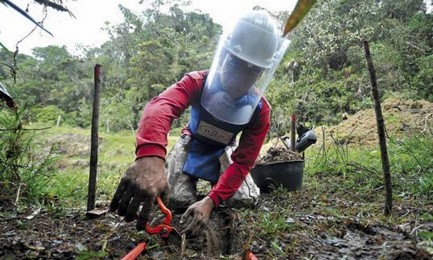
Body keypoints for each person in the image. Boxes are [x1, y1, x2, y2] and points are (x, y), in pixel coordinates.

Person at [109, 9, 289, 237]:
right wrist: (150, 158)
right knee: (177, 198)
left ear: (262, 73)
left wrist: (211, 201)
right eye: (236, 64)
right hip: (192, 141)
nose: (241, 78)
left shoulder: (259, 111)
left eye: (252, 71)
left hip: (225, 150)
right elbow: (160, 107)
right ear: (224, 55)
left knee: (244, 198)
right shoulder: (196, 82)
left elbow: (243, 162)